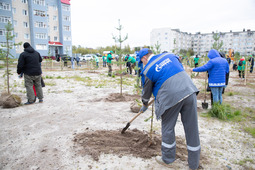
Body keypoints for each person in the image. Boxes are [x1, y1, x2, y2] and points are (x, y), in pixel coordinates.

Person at [138, 48, 200, 170]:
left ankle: (167, 159)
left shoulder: (148, 69)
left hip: (170, 98)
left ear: (144, 58)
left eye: (141, 61)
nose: (143, 64)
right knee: (192, 128)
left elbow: (146, 92)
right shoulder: (171, 56)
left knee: (168, 128)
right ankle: (194, 164)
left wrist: (144, 104)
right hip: (189, 91)